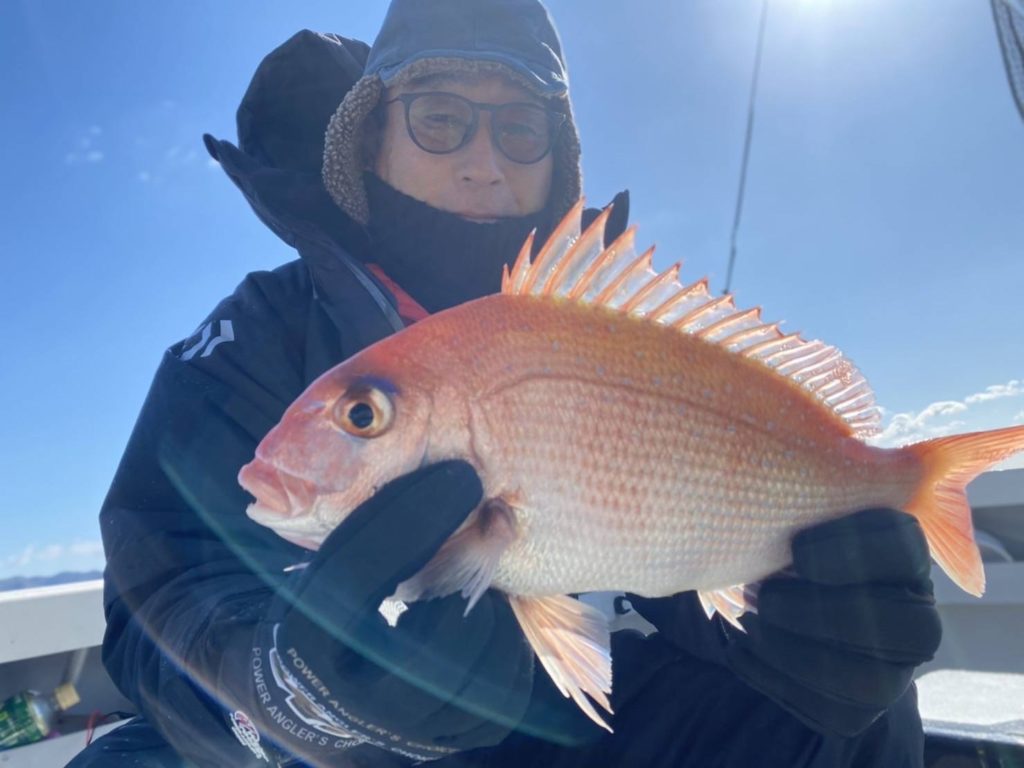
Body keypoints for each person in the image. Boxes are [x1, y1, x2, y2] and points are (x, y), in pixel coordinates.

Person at [71, 1, 942, 765]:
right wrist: (289, 688)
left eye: (521, 129)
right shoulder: (258, 334)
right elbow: (161, 593)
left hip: (570, 716)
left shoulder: (615, 332)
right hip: (360, 755)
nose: (484, 162)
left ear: (558, 158)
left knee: (843, 715)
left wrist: (799, 636)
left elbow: (667, 547)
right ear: (370, 138)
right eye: (439, 118)